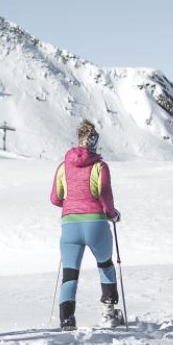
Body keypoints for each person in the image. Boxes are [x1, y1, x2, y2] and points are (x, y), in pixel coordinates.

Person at [49, 120, 121, 329]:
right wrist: (112, 214)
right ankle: (109, 313)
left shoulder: (63, 167)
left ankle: (67, 319)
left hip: (70, 225)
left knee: (70, 273)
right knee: (105, 265)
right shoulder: (100, 166)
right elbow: (105, 194)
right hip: (95, 223)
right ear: (94, 142)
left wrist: (72, 205)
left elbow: (55, 198)